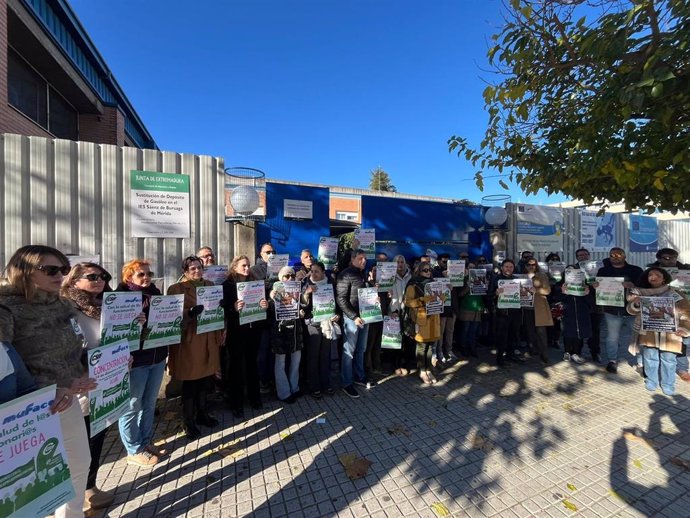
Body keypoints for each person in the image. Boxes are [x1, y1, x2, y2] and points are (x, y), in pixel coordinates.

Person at [0, 245, 98, 518]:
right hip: (25, 409)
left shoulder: (61, 305)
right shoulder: (6, 307)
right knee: (29, 483)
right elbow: (5, 363)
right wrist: (50, 388)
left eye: (64, 269)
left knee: (79, 462)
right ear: (24, 271)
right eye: (50, 270)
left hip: (65, 400)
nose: (60, 275)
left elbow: (75, 348)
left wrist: (88, 370)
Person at [61, 262, 117, 511]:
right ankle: (69, 498)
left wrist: (123, 353)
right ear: (73, 281)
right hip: (78, 384)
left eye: (103, 276)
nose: (99, 280)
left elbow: (114, 338)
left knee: (97, 437)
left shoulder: (105, 305)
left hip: (105, 381)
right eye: (91, 276)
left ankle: (89, 486)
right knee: (75, 444)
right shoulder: (66, 308)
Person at [115, 259, 168, 467]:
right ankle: (133, 449)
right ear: (129, 277)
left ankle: (145, 442)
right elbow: (113, 329)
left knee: (149, 403)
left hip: (156, 356)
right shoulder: (120, 297)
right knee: (132, 405)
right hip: (136, 359)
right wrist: (132, 322)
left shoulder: (155, 293)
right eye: (141, 274)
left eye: (148, 273)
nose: (146, 277)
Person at [167, 256, 223, 440]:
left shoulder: (210, 285)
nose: (197, 271)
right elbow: (170, 314)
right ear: (185, 271)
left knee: (205, 380)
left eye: (199, 268)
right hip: (190, 341)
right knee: (191, 383)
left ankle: (202, 413)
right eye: (192, 269)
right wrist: (189, 313)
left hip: (208, 338)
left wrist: (219, 307)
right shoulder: (176, 289)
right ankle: (188, 420)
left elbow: (216, 310)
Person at [627, 267, 690, 395]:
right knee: (650, 357)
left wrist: (684, 328)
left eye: (657, 274)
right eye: (650, 274)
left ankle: (668, 384)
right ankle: (651, 381)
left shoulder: (675, 293)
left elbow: (686, 311)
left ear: (664, 278)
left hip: (671, 334)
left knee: (669, 359)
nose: (653, 276)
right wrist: (637, 304)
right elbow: (630, 311)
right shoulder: (641, 294)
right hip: (649, 333)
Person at [222, 255, 269, 418]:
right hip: (236, 331)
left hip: (253, 330)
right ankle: (236, 402)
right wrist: (232, 308)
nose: (247, 268)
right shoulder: (227, 286)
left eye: (248, 265)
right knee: (235, 367)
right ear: (234, 267)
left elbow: (264, 306)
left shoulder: (255, 283)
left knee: (252, 364)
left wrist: (265, 305)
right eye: (243, 265)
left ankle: (254, 398)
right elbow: (222, 310)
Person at [595, 248, 643, 373]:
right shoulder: (603, 271)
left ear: (624, 256)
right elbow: (599, 288)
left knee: (638, 337)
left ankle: (641, 363)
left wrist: (633, 285)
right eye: (612, 255)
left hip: (633, 310)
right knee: (612, 337)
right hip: (612, 310)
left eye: (618, 254)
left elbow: (645, 288)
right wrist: (595, 286)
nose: (615, 257)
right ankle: (612, 361)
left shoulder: (636, 270)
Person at [336, 249, 371, 398]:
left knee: (361, 349)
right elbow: (341, 299)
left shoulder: (364, 273)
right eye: (361, 258)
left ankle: (359, 377)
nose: (364, 261)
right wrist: (353, 316)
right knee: (348, 352)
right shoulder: (346, 274)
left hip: (366, 316)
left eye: (365, 259)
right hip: (352, 319)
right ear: (353, 259)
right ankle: (347, 383)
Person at [301, 261, 340, 397]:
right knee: (313, 356)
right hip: (312, 324)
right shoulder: (306, 284)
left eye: (317, 271)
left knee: (325, 355)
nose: (314, 274)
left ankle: (326, 384)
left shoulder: (330, 284)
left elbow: (336, 302)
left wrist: (337, 315)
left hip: (327, 324)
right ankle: (314, 386)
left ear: (324, 272)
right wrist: (307, 293)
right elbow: (302, 307)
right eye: (312, 271)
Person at [269, 266, 304, 403]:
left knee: (296, 361)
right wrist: (273, 297)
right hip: (281, 331)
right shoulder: (274, 291)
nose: (289, 279)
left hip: (295, 331)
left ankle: (294, 388)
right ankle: (284, 393)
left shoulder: (297, 291)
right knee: (280, 362)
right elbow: (272, 310)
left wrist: (301, 311)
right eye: (286, 276)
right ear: (280, 278)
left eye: (292, 276)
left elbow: (301, 307)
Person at [404, 262, 441, 384]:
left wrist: (443, 296)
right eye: (425, 270)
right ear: (419, 271)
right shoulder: (413, 284)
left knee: (431, 345)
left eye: (429, 270)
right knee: (422, 346)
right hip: (421, 318)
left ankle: (429, 369)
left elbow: (441, 299)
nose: (428, 272)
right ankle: (421, 371)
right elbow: (407, 302)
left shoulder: (435, 283)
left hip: (433, 318)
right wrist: (422, 300)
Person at [250, 242, 276, 395]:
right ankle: (263, 381)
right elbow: (250, 290)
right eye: (267, 252)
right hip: (263, 319)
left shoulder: (280, 267)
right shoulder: (254, 270)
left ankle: (272, 379)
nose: (271, 255)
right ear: (260, 254)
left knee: (274, 351)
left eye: (273, 252)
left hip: (277, 316)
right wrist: (266, 284)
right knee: (262, 351)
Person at [489, 259, 523, 367]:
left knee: (513, 335)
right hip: (502, 312)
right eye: (506, 266)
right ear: (502, 268)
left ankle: (510, 355)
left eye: (511, 267)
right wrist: (496, 292)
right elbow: (489, 296)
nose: (509, 269)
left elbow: (521, 296)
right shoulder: (496, 279)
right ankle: (500, 358)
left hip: (515, 311)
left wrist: (523, 293)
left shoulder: (516, 280)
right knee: (502, 337)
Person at [556, 267, 592, 364]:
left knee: (579, 334)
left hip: (581, 313)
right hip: (567, 312)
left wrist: (587, 294)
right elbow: (556, 298)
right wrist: (563, 293)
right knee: (567, 333)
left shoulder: (585, 285)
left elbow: (591, 302)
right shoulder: (560, 285)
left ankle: (576, 353)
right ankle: (567, 352)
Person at [522, 259, 554, 364]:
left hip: (539, 306)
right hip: (526, 307)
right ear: (525, 266)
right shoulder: (521, 276)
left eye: (533, 264)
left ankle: (544, 355)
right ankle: (533, 350)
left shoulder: (542, 275)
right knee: (530, 331)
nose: (531, 266)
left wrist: (537, 291)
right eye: (528, 264)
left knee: (541, 332)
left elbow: (548, 291)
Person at [365, 252, 390, 377]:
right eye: (374, 271)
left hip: (383, 316)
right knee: (370, 343)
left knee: (378, 343)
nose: (376, 273)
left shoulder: (385, 285)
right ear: (370, 272)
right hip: (371, 318)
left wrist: (390, 295)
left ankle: (377, 365)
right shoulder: (367, 284)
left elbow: (388, 301)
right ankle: (368, 367)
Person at [433, 253, 459, 364]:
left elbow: (460, 288)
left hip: (452, 306)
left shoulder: (454, 272)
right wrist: (443, 277)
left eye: (448, 262)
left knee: (450, 331)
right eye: (444, 261)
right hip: (442, 307)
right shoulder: (434, 272)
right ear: (438, 261)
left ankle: (449, 350)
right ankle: (439, 352)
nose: (446, 264)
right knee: (440, 332)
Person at [389, 255, 413, 375]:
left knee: (408, 339)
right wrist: (394, 310)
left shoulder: (411, 276)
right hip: (395, 312)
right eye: (397, 262)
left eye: (402, 262)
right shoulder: (390, 277)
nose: (400, 264)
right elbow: (391, 295)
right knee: (396, 340)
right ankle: (396, 364)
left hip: (409, 312)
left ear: (405, 263)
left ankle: (406, 363)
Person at [456, 262, 484, 358]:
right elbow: (459, 295)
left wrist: (485, 285)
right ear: (466, 269)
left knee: (474, 330)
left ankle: (472, 347)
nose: (472, 269)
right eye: (470, 267)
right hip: (466, 308)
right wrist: (468, 286)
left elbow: (482, 295)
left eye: (473, 267)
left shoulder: (480, 278)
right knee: (465, 330)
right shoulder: (462, 279)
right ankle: (463, 347)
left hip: (477, 308)